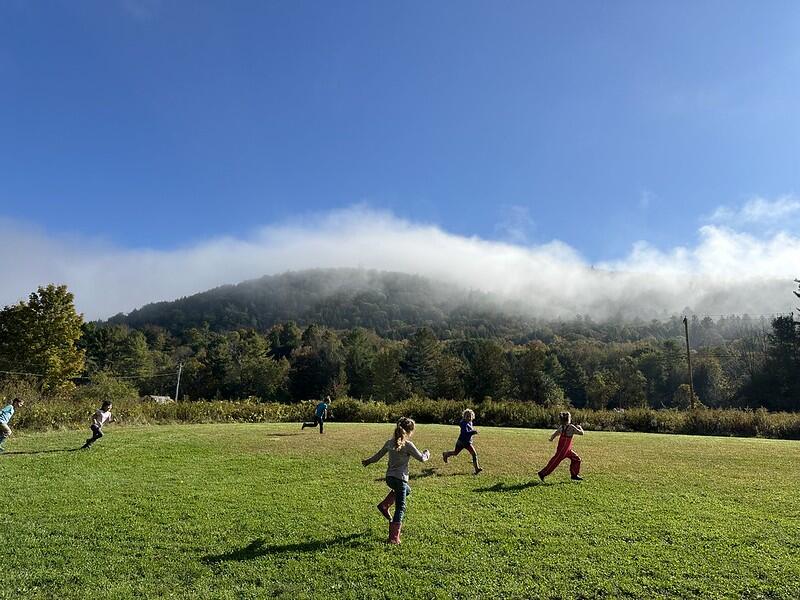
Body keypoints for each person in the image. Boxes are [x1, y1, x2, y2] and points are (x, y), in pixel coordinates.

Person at [362, 417, 430, 544]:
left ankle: (384, 505)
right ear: (410, 431)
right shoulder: (408, 445)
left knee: (406, 491)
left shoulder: (389, 442)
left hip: (389, 478)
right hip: (400, 480)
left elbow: (377, 456)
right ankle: (393, 538)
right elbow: (422, 458)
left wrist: (368, 461)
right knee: (400, 507)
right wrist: (427, 454)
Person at [538, 411, 584, 482]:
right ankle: (542, 473)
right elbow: (581, 433)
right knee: (554, 462)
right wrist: (580, 427)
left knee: (576, 459)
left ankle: (574, 475)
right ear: (569, 419)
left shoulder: (562, 427)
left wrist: (551, 438)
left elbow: (556, 433)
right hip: (563, 450)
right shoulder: (571, 427)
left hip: (566, 449)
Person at [442, 408, 482, 475]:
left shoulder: (470, 423)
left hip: (468, 443)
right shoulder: (463, 423)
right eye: (467, 416)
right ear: (464, 416)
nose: (469, 417)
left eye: (470, 416)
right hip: (461, 442)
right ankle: (446, 454)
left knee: (474, 454)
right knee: (455, 453)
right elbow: (465, 433)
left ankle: (477, 469)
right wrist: (473, 432)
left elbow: (469, 432)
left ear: (472, 417)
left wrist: (472, 434)